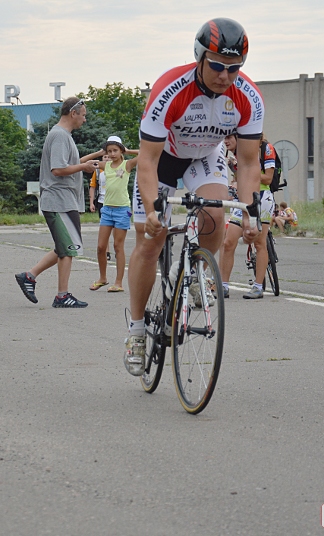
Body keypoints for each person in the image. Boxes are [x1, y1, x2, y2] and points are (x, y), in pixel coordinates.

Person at [124, 18, 265, 376]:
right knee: (149, 238)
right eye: (217, 65)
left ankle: (191, 268)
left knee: (217, 215)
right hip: (163, 160)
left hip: (205, 156)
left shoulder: (247, 97)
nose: (225, 75)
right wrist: (155, 208)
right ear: (200, 57)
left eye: (234, 69)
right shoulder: (169, 90)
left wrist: (251, 213)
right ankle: (137, 330)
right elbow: (147, 161)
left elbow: (248, 163)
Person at [14, 96, 102, 309]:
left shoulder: (62, 135)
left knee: (65, 245)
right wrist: (84, 168)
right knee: (69, 247)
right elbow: (58, 169)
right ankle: (62, 295)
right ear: (73, 114)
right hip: (59, 200)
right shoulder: (60, 136)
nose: (85, 120)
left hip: (63, 200)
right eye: (83, 116)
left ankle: (29, 276)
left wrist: (94, 158)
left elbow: (69, 163)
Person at [220, 133, 276, 299]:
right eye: (225, 138)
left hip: (262, 197)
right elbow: (238, 180)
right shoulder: (236, 155)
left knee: (259, 242)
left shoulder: (265, 148)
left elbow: (268, 178)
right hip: (242, 200)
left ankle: (258, 287)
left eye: (230, 137)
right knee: (228, 241)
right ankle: (223, 286)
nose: (226, 141)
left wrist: (248, 170)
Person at [89, 136, 138, 293]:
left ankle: (119, 282)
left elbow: (145, 153)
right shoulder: (106, 165)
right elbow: (82, 160)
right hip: (107, 210)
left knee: (118, 246)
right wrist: (100, 152)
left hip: (122, 209)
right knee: (101, 246)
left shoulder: (127, 164)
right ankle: (102, 278)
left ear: (121, 150)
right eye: (109, 151)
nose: (112, 153)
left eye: (115, 150)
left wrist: (128, 151)